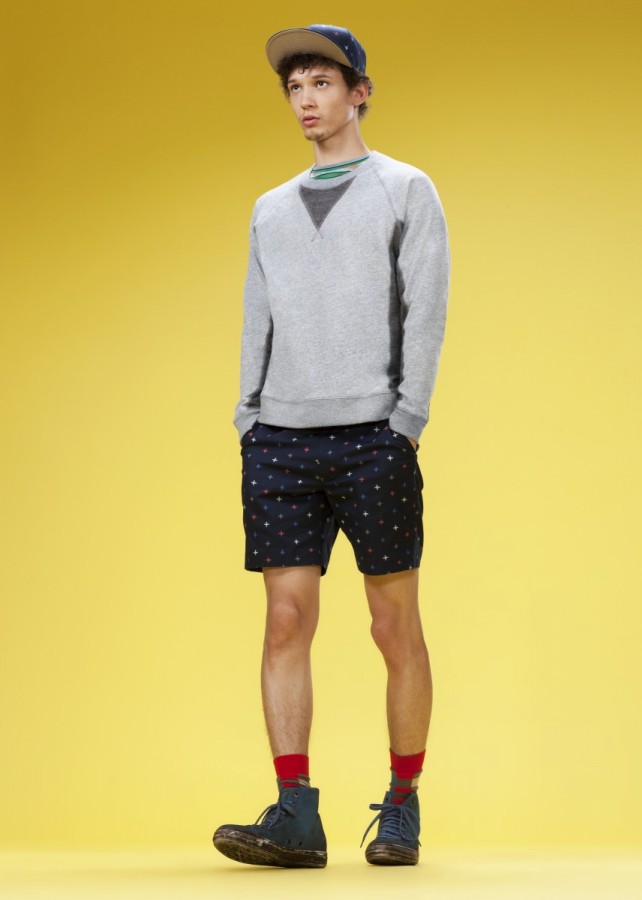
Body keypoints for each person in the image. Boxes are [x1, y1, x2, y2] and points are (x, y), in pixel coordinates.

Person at [213, 23, 450, 868]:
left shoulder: (405, 189)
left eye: (321, 82)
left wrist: (404, 420)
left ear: (359, 93)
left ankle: (402, 805)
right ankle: (294, 814)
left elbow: (426, 307)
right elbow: (258, 315)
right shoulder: (270, 209)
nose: (306, 100)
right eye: (294, 87)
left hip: (371, 439)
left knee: (392, 626)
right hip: (278, 441)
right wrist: (248, 417)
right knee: (284, 619)